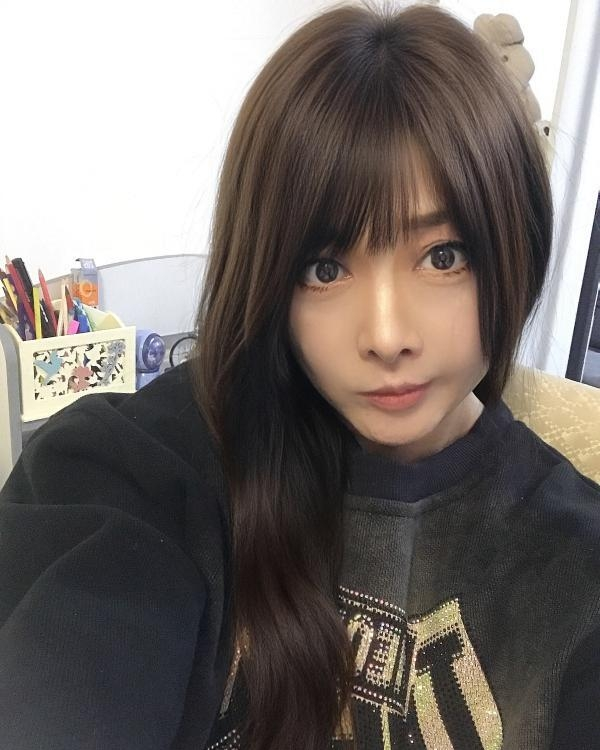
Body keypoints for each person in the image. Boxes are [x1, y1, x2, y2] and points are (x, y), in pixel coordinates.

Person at [0, 3, 599, 749]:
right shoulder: (140, 471)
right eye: (325, 268)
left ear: (516, 248)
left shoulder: (575, 572)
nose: (387, 336)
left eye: (442, 256)